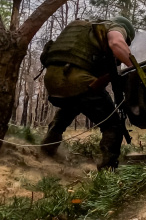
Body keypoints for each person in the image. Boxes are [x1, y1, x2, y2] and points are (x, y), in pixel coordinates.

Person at [39, 16, 135, 170]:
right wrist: (135, 69)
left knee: (71, 107)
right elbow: (116, 43)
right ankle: (108, 169)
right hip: (78, 80)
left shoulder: (87, 32)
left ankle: (46, 152)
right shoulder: (115, 27)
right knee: (112, 125)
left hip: (52, 80)